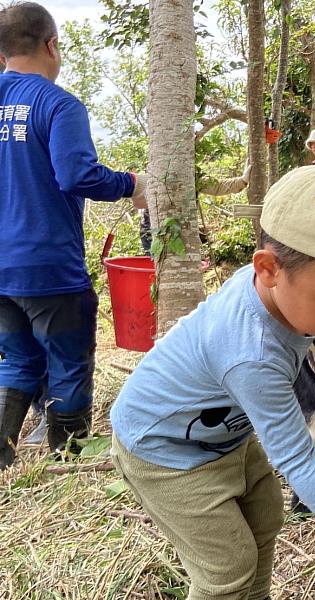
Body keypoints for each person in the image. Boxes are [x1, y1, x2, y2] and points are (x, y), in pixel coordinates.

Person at [110, 164, 315, 599]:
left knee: (265, 518)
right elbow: (298, 460)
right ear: (269, 268)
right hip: (163, 450)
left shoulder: (277, 291)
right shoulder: (250, 354)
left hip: (220, 434)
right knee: (227, 567)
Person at [0, 1, 147, 469]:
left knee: (18, 359)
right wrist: (131, 184)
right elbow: (76, 176)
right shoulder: (57, 103)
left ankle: (4, 456)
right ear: (51, 45)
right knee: (68, 358)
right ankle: (67, 456)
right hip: (49, 267)